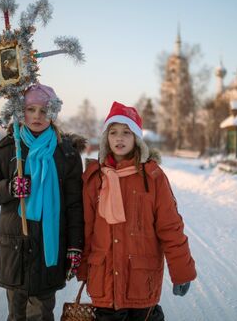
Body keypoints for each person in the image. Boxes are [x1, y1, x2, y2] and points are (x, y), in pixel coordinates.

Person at [77, 101, 196, 321]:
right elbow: (87, 228)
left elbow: (170, 227)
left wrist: (181, 271)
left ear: (136, 139)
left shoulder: (152, 177)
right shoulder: (95, 178)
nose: (119, 138)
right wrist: (84, 268)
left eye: (126, 132)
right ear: (106, 138)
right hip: (104, 279)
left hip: (142, 281)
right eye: (113, 133)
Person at [0, 83, 85, 321]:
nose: (37, 116)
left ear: (53, 114)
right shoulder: (7, 149)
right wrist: (10, 187)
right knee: (16, 315)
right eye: (30, 109)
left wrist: (75, 245)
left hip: (50, 250)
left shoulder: (66, 154)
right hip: (16, 251)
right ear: (20, 111)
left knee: (42, 314)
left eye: (44, 111)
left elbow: (75, 205)